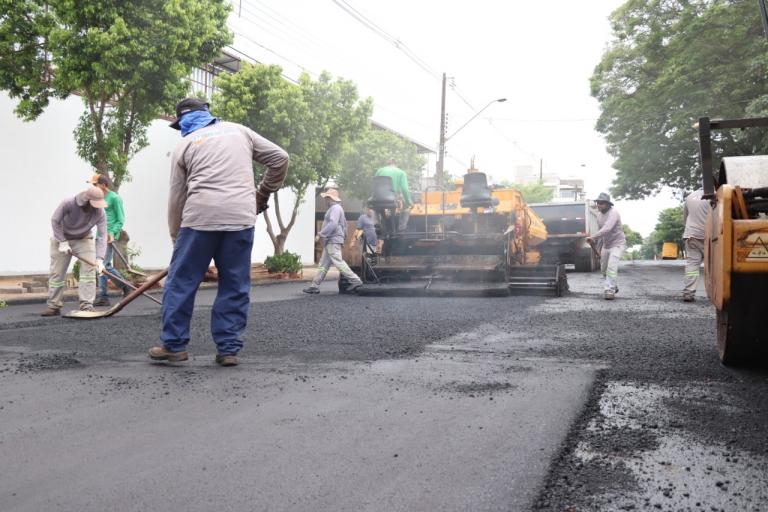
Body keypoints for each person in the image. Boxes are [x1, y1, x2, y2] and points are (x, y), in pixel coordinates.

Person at [148, 97, 289, 367]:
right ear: (208, 114)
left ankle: (174, 345)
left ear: (183, 122)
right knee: (234, 283)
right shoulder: (240, 131)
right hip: (240, 218)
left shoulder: (185, 144)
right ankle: (228, 349)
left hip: (199, 219)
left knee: (181, 282)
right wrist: (262, 193)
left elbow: (177, 198)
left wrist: (176, 236)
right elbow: (280, 159)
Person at [41, 187, 108, 316]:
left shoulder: (100, 213)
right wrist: (62, 241)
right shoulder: (69, 202)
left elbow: (102, 236)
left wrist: (99, 259)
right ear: (86, 200)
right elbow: (55, 220)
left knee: (89, 271)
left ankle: (87, 306)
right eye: (94, 204)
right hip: (62, 236)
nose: (97, 208)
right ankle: (54, 305)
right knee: (57, 273)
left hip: (84, 239)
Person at [303, 188, 363, 294]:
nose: (325, 200)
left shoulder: (335, 208)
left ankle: (356, 280)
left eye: (326, 198)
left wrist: (320, 234)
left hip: (332, 240)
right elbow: (344, 225)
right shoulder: (337, 208)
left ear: (330, 198)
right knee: (323, 265)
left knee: (338, 261)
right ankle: (314, 285)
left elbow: (333, 223)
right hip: (332, 240)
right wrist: (342, 238)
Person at [88, 173, 130, 306]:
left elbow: (121, 219)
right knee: (105, 265)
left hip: (109, 235)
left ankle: (103, 295)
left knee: (102, 265)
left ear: (104, 185)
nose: (93, 187)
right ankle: (123, 287)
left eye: (95, 184)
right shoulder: (97, 198)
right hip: (100, 235)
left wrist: (113, 232)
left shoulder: (115, 198)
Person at [586, 192, 626, 300]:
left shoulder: (614, 213)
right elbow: (602, 232)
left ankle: (609, 290)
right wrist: (598, 249)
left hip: (617, 244)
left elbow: (607, 228)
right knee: (603, 270)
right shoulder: (599, 215)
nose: (599, 205)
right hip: (606, 245)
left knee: (611, 267)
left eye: (602, 203)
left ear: (608, 204)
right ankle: (613, 285)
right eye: (598, 202)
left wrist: (593, 237)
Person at [682, 189, 710, 302]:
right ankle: (714, 294)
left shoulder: (689, 197)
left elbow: (685, 219)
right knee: (714, 266)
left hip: (691, 235)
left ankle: (689, 293)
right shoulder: (716, 195)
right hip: (710, 237)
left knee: (692, 265)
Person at [374, 160, 412, 232]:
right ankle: (401, 228)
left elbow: (374, 185)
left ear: (387, 164)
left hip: (377, 199)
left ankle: (377, 223)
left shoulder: (379, 171)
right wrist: (409, 202)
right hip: (391, 199)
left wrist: (374, 198)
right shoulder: (401, 172)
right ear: (396, 165)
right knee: (406, 209)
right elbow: (405, 189)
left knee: (374, 208)